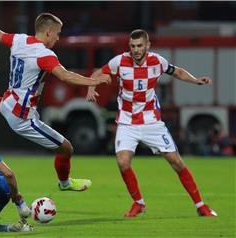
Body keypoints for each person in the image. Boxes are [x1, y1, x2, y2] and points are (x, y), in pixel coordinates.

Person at [0, 13, 110, 191]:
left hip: (9, 101)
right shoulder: (44, 55)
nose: (58, 38)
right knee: (66, 148)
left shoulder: (19, 40)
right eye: (57, 33)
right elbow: (65, 76)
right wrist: (95, 81)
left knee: (4, 103)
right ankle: (64, 183)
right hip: (23, 118)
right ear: (48, 32)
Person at [86, 29, 217, 217]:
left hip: (151, 122)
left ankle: (200, 205)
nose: (136, 50)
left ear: (148, 45)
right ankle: (138, 203)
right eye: (132, 46)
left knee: (176, 162)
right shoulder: (120, 61)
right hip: (127, 122)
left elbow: (177, 72)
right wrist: (91, 87)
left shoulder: (157, 61)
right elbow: (98, 72)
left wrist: (196, 80)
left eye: (139, 46)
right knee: (123, 162)